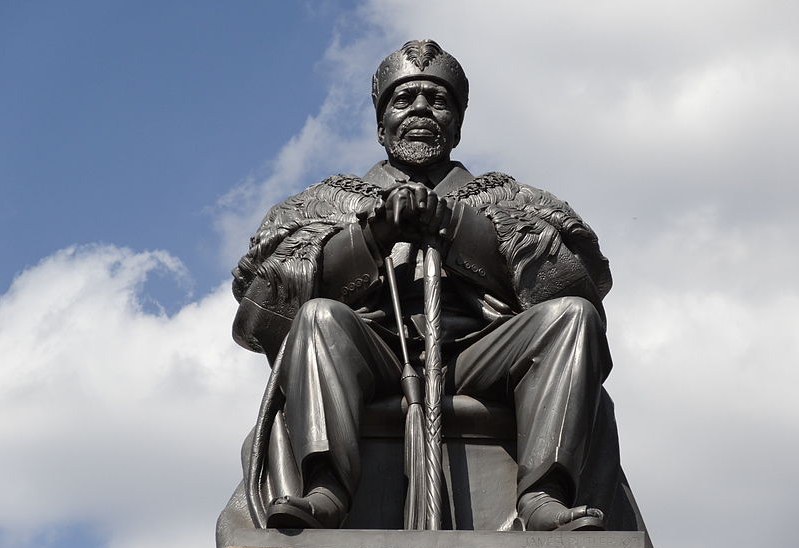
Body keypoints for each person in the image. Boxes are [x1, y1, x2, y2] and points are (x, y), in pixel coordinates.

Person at [219, 40, 641, 538]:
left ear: (458, 121)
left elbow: (580, 286)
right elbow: (260, 317)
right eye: (404, 99)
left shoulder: (511, 198)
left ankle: (543, 495)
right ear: (381, 123)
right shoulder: (324, 201)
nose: (421, 109)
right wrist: (367, 240)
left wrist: (464, 232)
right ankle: (327, 489)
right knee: (319, 318)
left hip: (480, 359)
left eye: (438, 100)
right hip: (372, 355)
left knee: (572, 316)